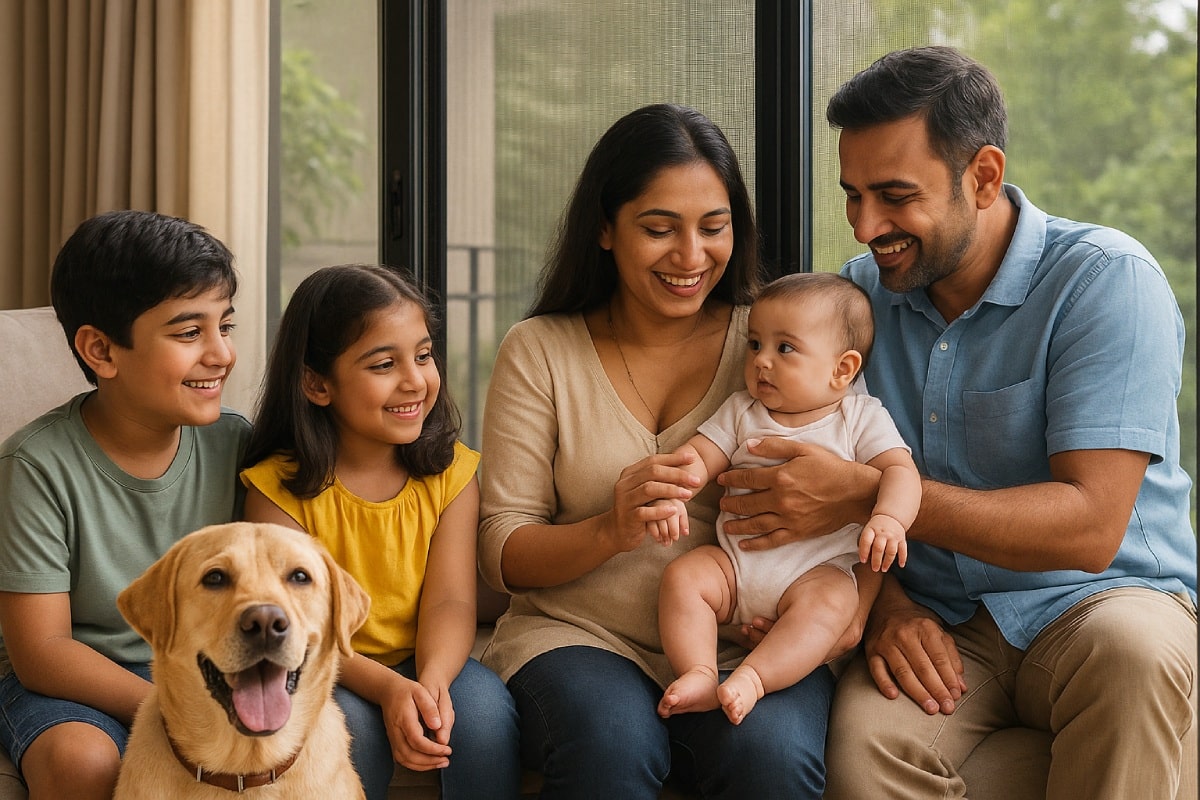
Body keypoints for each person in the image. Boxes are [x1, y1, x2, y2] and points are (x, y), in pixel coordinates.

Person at [712, 46, 1197, 799]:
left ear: (984, 177)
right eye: (852, 196)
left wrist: (864, 496)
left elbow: (1090, 527)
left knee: (1136, 659)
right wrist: (888, 609)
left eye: (894, 195)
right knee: (862, 753)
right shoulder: (854, 305)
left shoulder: (1106, 281)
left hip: (1102, 601)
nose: (866, 226)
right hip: (938, 619)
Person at [478, 103, 851, 799]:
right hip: (578, 634)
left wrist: (843, 611)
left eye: (714, 227)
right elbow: (502, 549)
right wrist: (609, 530)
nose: (691, 256)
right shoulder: (539, 350)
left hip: (744, 644)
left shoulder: (775, 342)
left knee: (771, 758)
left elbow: (862, 485)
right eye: (659, 229)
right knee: (611, 744)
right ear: (604, 228)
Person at [239, 264, 520, 800]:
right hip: (326, 664)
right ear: (317, 384)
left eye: (423, 355)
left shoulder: (451, 474)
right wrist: (389, 688)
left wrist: (431, 683)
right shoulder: (275, 492)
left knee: (482, 720)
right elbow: (302, 633)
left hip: (425, 654)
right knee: (351, 734)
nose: (414, 380)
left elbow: (452, 601)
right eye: (384, 364)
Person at [0, 210, 249, 800]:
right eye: (189, 333)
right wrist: (174, 706)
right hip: (70, 683)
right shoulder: (34, 465)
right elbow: (42, 652)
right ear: (101, 350)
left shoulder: (238, 444)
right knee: (83, 760)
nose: (221, 353)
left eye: (225, 325)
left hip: (201, 670)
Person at [650, 272, 920, 727]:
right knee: (684, 577)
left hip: (814, 575)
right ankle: (699, 671)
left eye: (785, 348)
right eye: (755, 344)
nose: (761, 361)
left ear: (842, 369)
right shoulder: (742, 410)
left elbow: (900, 472)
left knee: (834, 603)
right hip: (734, 570)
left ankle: (753, 679)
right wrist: (673, 491)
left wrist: (890, 519)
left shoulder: (859, 417)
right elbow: (700, 455)